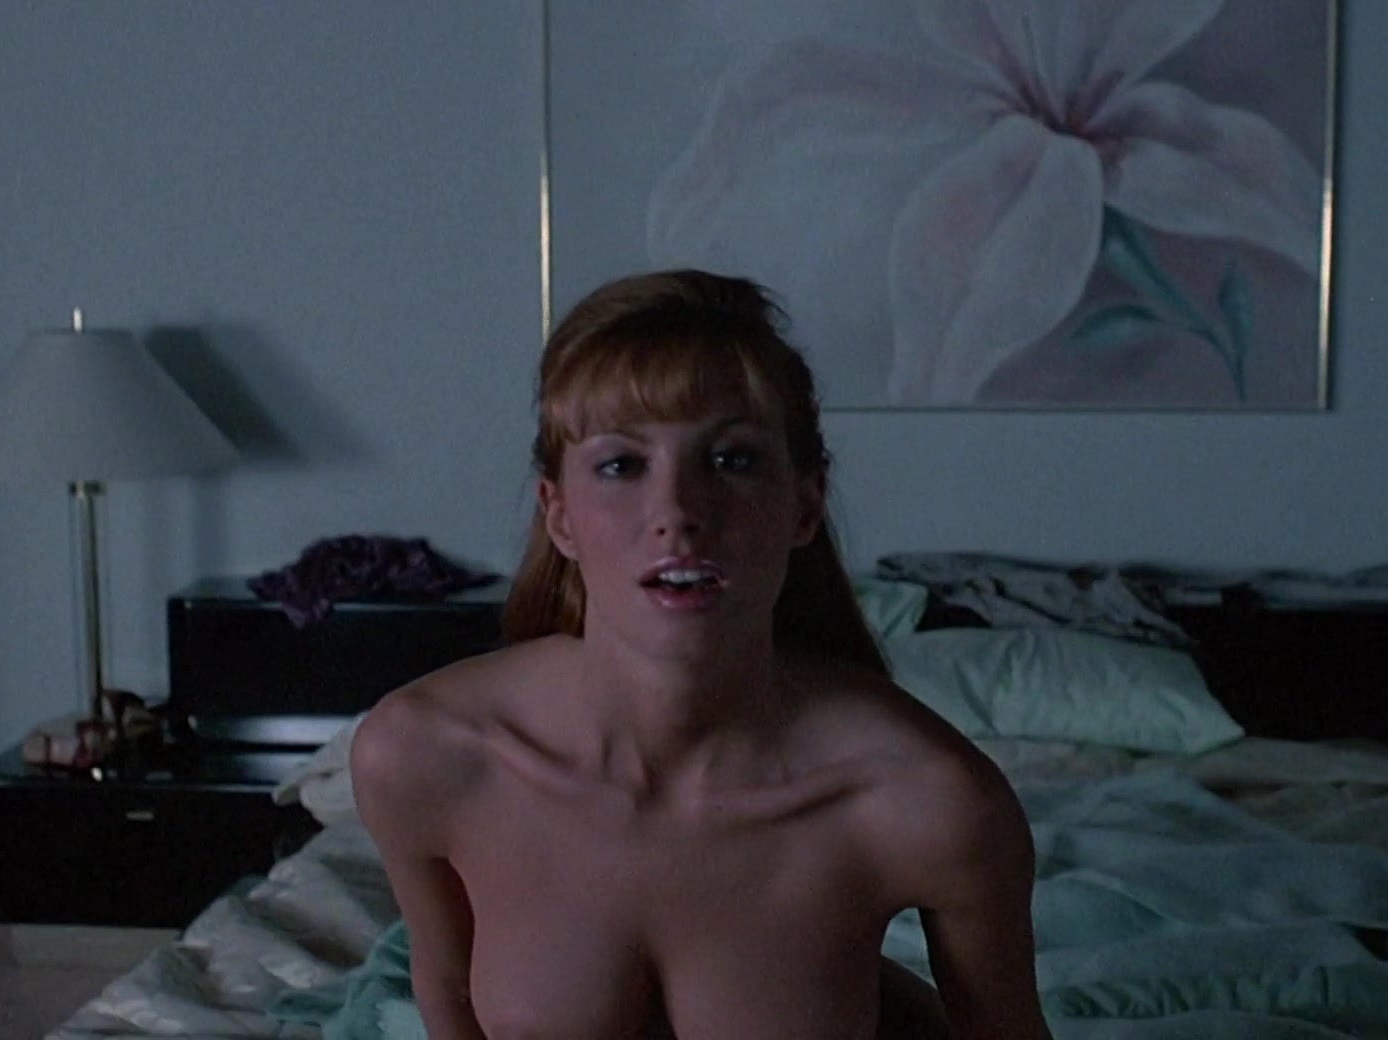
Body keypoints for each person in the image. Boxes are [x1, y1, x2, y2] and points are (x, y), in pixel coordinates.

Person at [351, 270, 1050, 1039]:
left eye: (731, 460)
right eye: (622, 465)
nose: (678, 513)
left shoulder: (930, 801)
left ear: (805, 503)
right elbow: (448, 995)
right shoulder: (424, 756)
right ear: (559, 516)